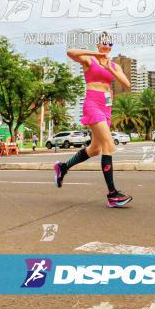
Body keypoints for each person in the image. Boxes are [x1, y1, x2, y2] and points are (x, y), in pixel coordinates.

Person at [56, 32, 133, 207]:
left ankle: (63, 167)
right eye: (103, 43)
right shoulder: (89, 60)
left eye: (110, 44)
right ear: (98, 44)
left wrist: (111, 68)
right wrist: (95, 55)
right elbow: (70, 52)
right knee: (108, 145)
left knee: (95, 149)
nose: (107, 46)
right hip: (92, 103)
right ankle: (112, 195)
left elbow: (126, 84)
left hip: (107, 107)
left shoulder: (114, 65)